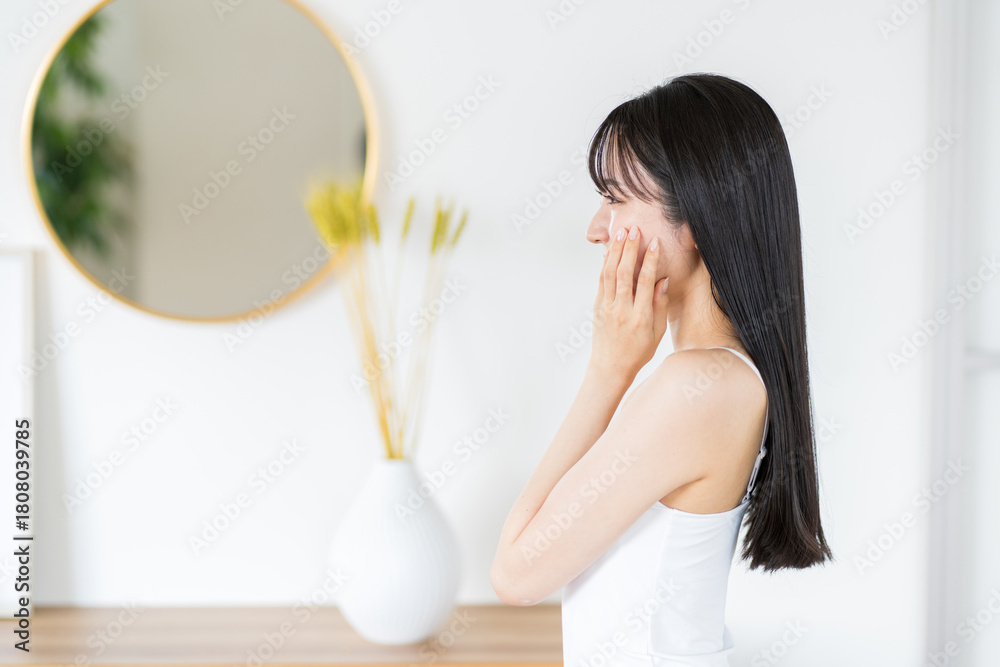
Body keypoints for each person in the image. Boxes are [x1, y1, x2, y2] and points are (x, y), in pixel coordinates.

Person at [490, 72, 833, 666]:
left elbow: (517, 574)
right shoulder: (719, 377)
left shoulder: (697, 388)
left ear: (696, 218)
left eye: (616, 199)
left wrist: (608, 371)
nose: (596, 230)